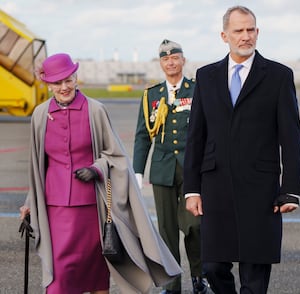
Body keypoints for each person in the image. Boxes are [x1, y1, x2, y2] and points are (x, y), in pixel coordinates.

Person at [19, 53, 182, 294]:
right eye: (57, 82)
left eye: (68, 79)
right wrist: (29, 202)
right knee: (59, 279)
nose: (64, 87)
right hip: (55, 208)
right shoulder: (41, 115)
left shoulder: (95, 110)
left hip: (92, 208)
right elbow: (37, 166)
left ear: (76, 78)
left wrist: (96, 168)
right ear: (48, 84)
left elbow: (116, 156)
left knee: (95, 274)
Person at [183, 6, 300, 294]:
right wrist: (192, 189)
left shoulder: (278, 76)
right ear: (225, 35)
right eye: (238, 31)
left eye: (251, 30)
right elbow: (196, 136)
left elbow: (291, 136)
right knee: (212, 266)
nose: (245, 36)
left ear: (258, 32)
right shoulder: (206, 76)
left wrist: (291, 188)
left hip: (260, 189)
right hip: (216, 186)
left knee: (254, 273)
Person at [133, 40, 207, 294]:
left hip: (191, 170)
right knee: (166, 231)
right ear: (161, 63)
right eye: (166, 59)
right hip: (163, 170)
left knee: (195, 226)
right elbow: (143, 135)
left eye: (175, 57)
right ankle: (172, 284)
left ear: (183, 60)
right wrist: (138, 171)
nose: (171, 62)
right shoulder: (151, 95)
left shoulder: (197, 90)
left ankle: (199, 277)